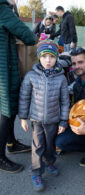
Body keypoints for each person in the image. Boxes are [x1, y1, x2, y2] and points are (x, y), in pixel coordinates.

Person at [18, 39, 70, 191]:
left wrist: (63, 121)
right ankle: (36, 171)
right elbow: (24, 97)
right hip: (37, 120)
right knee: (37, 146)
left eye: (52, 57)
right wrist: (23, 117)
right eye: (45, 56)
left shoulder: (61, 78)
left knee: (50, 145)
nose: (48, 60)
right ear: (39, 57)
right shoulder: (31, 76)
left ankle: (49, 162)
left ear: (56, 58)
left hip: (54, 120)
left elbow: (65, 101)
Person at [0, 0, 36, 173]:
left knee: (7, 108)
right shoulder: (2, 8)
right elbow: (27, 36)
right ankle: (0, 156)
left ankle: (11, 143)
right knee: (6, 111)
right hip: (4, 68)